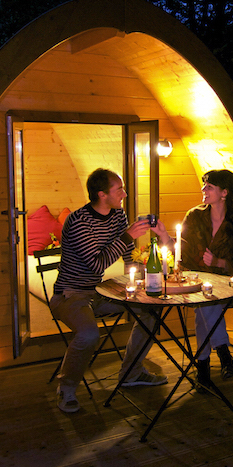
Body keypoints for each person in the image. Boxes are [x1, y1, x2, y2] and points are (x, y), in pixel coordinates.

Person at [50, 168, 168, 414]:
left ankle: (131, 373)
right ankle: (67, 387)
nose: (124, 194)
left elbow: (127, 257)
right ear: (102, 195)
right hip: (70, 294)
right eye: (119, 190)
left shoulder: (117, 215)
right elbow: (97, 263)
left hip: (99, 291)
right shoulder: (78, 221)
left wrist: (148, 274)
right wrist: (127, 236)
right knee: (89, 335)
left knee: (150, 310)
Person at [178, 169, 233, 386]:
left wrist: (220, 263)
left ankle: (202, 367)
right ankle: (222, 353)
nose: (203, 189)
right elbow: (182, 252)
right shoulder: (194, 216)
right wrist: (166, 239)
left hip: (228, 285)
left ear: (224, 192)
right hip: (197, 282)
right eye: (204, 185)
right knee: (205, 302)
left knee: (205, 306)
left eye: (209, 186)